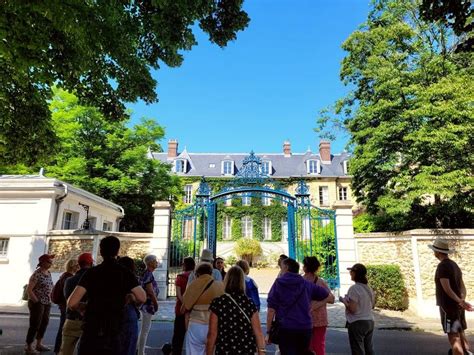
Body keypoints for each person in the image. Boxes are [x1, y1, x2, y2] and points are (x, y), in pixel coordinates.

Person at [67, 236, 146, 355]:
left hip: (92, 329)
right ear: (117, 251)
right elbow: (142, 297)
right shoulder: (125, 272)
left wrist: (83, 308)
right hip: (115, 330)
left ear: (100, 251)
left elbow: (72, 302)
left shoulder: (91, 273)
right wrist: (130, 298)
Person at [266, 257, 334, 355]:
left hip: (286, 327)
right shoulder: (307, 284)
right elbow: (327, 295)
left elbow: (271, 310)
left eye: (281, 267)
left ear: (286, 268)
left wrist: (268, 332)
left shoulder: (278, 283)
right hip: (305, 327)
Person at [207, 266, 266, 355]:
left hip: (224, 349)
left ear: (226, 280)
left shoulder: (218, 303)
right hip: (246, 350)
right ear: (242, 282)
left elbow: (212, 334)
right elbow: (258, 332)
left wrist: (209, 352)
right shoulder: (249, 303)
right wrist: (262, 352)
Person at [429, 238, 473, 355]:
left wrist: (459, 301)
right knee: (461, 334)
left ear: (438, 252)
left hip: (448, 308)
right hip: (458, 308)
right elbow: (462, 287)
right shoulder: (454, 265)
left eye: (434, 250)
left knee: (454, 339)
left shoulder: (442, 266)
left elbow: (446, 288)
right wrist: (461, 301)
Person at [182, 262, 224, 355]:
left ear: (197, 274)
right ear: (211, 273)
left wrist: (187, 328)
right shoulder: (220, 286)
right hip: (214, 325)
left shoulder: (193, 286)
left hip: (196, 325)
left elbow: (186, 308)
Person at [61, 253, 94, 355]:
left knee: (66, 351)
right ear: (91, 263)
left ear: (79, 264)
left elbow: (67, 298)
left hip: (72, 319)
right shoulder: (96, 280)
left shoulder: (69, 280)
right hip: (90, 321)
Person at [340, 263, 375, 355]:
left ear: (356, 273)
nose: (350, 273)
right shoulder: (368, 288)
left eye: (351, 271)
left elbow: (353, 309)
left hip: (357, 322)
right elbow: (372, 305)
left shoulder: (354, 289)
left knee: (357, 350)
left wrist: (344, 301)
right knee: (369, 349)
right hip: (369, 321)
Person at [25, 254, 55, 354]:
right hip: (37, 303)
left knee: (44, 323)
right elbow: (29, 290)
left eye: (51, 262)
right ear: (42, 262)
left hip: (47, 302)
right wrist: (37, 302)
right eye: (49, 261)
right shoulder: (37, 274)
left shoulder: (49, 273)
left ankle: (39, 344)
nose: (51, 263)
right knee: (35, 324)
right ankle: (29, 347)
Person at [303, 256, 331, 355]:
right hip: (320, 319)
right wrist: (322, 302)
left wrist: (314, 305)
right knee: (319, 345)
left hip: (304, 319)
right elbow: (331, 298)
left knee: (306, 346)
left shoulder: (300, 282)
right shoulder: (320, 282)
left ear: (305, 267)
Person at [52, 258, 79, 355]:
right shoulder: (69, 278)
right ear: (73, 266)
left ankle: (57, 349)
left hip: (62, 306)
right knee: (63, 329)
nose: (78, 267)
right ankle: (58, 350)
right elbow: (68, 295)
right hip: (65, 306)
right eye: (77, 265)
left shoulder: (64, 276)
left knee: (62, 328)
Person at [171, 256, 196, 355]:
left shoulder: (180, 277)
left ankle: (176, 352)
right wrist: (190, 305)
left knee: (178, 335)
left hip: (180, 309)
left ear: (185, 265)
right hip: (193, 310)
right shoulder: (196, 277)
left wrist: (185, 304)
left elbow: (178, 294)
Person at [137, 254, 160, 355]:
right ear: (150, 263)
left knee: (143, 330)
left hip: (145, 304)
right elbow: (150, 291)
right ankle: (141, 352)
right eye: (155, 261)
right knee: (145, 330)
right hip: (148, 305)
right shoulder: (149, 274)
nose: (157, 262)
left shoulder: (146, 273)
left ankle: (138, 349)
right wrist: (156, 304)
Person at [117, 256, 141, 355]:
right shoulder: (130, 277)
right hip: (128, 313)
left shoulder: (113, 278)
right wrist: (133, 298)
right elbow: (141, 298)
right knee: (129, 345)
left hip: (114, 313)